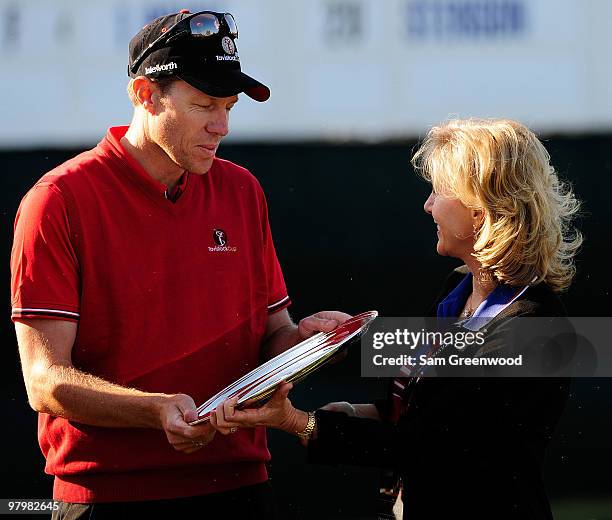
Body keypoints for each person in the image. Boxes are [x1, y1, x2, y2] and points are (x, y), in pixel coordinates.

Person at [10, 9, 349, 519]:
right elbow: (43, 380)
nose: (223, 125)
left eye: (229, 106)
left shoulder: (242, 190)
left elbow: (272, 332)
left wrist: (303, 344)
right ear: (145, 95)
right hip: (106, 496)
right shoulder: (58, 199)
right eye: (204, 104)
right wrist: (154, 411)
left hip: (240, 486)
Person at [212, 118, 583, 519]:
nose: (427, 206)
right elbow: (422, 408)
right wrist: (356, 412)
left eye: (439, 192)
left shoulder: (533, 323)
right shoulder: (454, 294)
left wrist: (301, 423)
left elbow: (435, 445)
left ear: (480, 210)